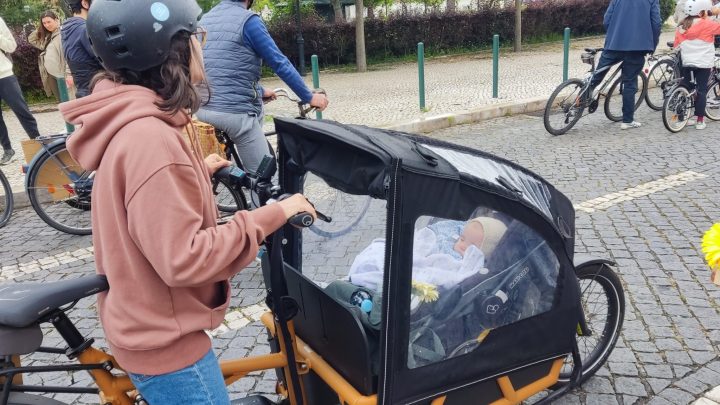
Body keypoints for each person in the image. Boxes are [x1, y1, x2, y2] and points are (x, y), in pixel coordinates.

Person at [59, 0, 316, 403]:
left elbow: (148, 200)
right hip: (167, 345)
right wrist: (273, 214)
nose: (202, 45)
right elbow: (187, 258)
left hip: (142, 323)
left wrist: (199, 169)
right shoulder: (153, 142)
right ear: (171, 51)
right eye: (197, 37)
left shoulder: (131, 124)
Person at [197, 0, 329, 174]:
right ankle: (260, 194)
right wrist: (309, 97)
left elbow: (218, 68)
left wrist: (259, 90)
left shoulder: (204, 20)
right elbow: (280, 63)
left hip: (201, 110)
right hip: (234, 114)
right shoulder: (249, 21)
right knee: (263, 177)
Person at [348, 216, 507, 292]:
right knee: (382, 253)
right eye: (462, 238)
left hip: (427, 274)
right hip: (419, 259)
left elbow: (446, 274)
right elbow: (423, 248)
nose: (461, 245)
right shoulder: (446, 243)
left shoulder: (467, 266)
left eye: (471, 247)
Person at [590, 0, 662, 130]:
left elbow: (607, 20)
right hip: (637, 47)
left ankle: (578, 101)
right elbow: (656, 24)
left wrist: (614, 34)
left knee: (597, 75)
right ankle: (627, 120)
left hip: (614, 44)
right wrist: (653, 44)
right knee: (629, 82)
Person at [0, 16, 41, 165]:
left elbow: (11, 46)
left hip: (4, 75)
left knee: (22, 111)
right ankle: (7, 150)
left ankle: (38, 143)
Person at [674, 0, 720, 130]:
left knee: (685, 87)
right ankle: (700, 120)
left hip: (687, 62)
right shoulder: (707, 24)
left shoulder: (681, 26)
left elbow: (677, 45)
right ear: (700, 11)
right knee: (701, 90)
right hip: (703, 63)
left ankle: (681, 118)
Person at [61, 0, 102, 98]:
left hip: (83, 90)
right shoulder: (84, 29)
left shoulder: (68, 29)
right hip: (95, 89)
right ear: (85, 3)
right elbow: (103, 59)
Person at [28, 10, 62, 101]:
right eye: (44, 23)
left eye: (49, 22)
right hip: (50, 74)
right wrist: (41, 28)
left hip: (62, 74)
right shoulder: (47, 37)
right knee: (60, 101)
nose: (47, 25)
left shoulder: (63, 33)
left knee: (68, 99)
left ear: (56, 20)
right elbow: (31, 39)